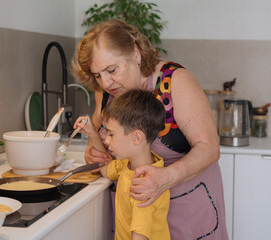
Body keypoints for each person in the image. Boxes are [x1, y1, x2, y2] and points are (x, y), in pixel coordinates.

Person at [72, 19, 228, 239]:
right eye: (97, 75)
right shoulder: (106, 90)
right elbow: (103, 139)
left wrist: (165, 177)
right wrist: (94, 150)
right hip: (134, 216)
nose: (106, 82)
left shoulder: (175, 81)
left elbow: (210, 148)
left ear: (135, 54)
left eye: (111, 69)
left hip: (187, 209)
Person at [74, 89, 170, 240]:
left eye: (111, 134)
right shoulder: (127, 165)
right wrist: (92, 133)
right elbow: (105, 168)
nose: (107, 140)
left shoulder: (144, 185)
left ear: (136, 137)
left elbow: (139, 237)